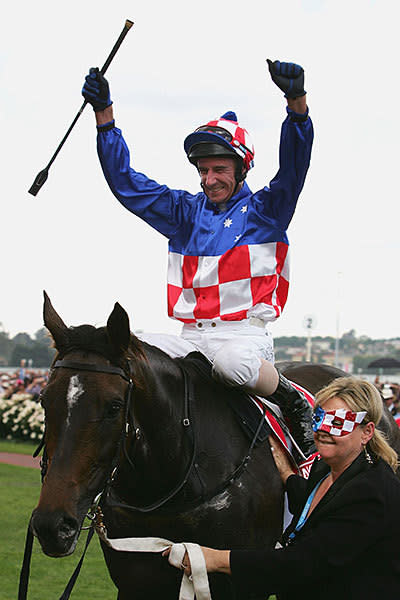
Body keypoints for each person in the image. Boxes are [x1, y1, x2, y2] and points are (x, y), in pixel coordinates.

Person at [81, 60, 315, 457]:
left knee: (231, 366)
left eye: (219, 169)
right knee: (126, 354)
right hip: (190, 338)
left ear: (242, 168)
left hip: (243, 339)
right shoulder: (183, 212)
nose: (209, 179)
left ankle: (293, 399)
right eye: (203, 170)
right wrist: (105, 118)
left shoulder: (267, 210)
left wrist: (296, 105)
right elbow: (125, 183)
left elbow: (295, 164)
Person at [165, 377, 400, 599]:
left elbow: (303, 563)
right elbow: (314, 506)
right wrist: (287, 473)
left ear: (367, 432)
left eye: (338, 423)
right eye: (319, 418)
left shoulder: (371, 491)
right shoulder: (325, 467)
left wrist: (213, 558)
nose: (323, 430)